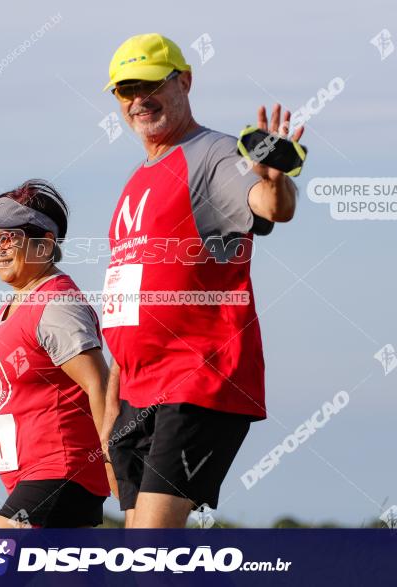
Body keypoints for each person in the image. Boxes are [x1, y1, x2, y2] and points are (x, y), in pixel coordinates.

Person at [99, 33, 305, 528]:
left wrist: (274, 180)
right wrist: (111, 410)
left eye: (151, 85)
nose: (138, 100)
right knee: (146, 561)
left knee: (150, 552)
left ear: (184, 82)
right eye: (125, 90)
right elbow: (127, 308)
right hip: (136, 395)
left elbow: (270, 207)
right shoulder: (136, 181)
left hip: (197, 378)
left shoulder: (212, 154)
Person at [0, 179, 117, 528]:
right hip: (36, 478)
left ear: (44, 244)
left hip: (61, 473)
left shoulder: (56, 304)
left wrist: (113, 461)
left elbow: (99, 384)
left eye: (7, 238)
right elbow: (3, 393)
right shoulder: (14, 307)